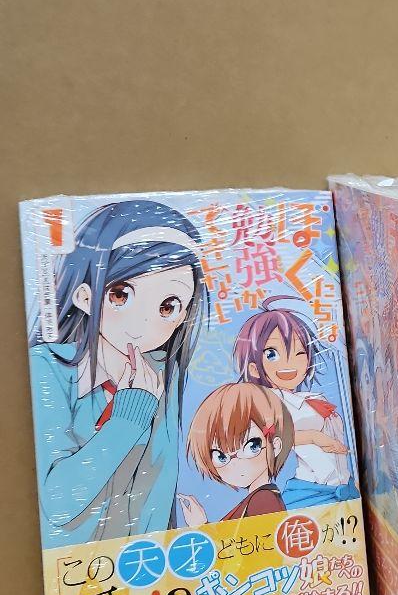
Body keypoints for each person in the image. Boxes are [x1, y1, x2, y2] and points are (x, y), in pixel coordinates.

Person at [28, 199, 207, 548]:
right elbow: (59, 502)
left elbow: (158, 492)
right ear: (85, 297)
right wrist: (128, 418)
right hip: (72, 570)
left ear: (184, 314)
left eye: (168, 306)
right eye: (121, 295)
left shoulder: (165, 374)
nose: (143, 323)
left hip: (144, 566)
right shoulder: (49, 368)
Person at [233, 297, 359, 509]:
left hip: (344, 491)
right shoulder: (269, 402)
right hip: (310, 494)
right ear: (254, 368)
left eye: (299, 352)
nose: (289, 362)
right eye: (272, 354)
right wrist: (313, 437)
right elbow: (268, 439)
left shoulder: (312, 399)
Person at [179, 383, 293, 522]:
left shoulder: (264, 499)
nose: (235, 464)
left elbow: (261, 536)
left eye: (252, 446)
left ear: (275, 447)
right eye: (221, 456)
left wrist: (202, 527)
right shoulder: (257, 498)